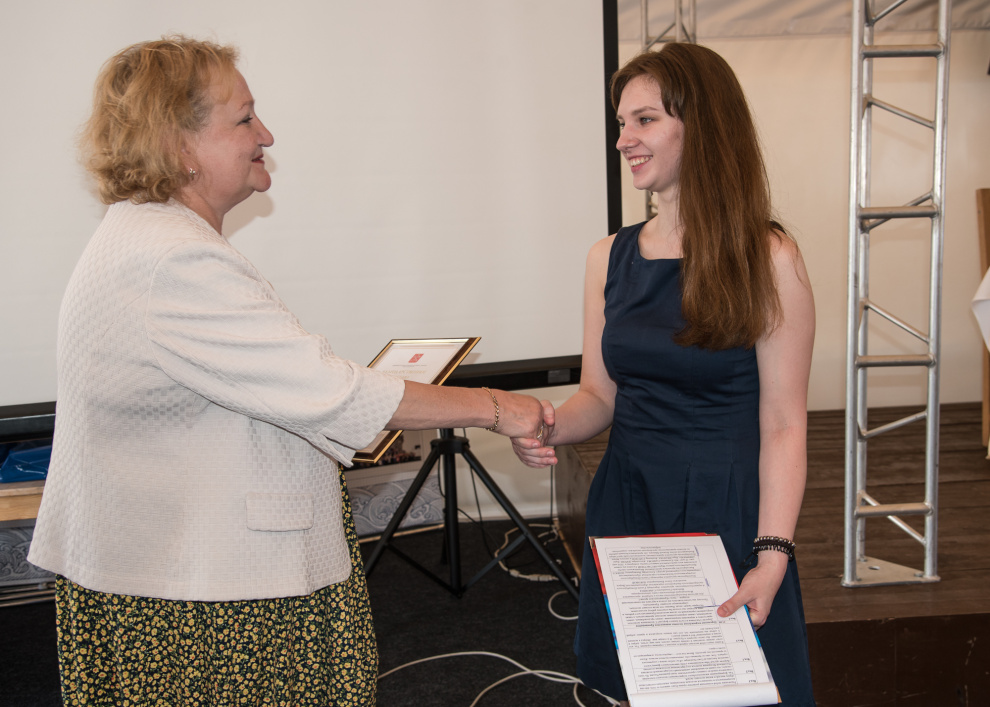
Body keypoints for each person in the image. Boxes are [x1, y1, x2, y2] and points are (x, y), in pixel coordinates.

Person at [28, 36, 543, 707]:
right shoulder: (173, 259)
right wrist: (498, 407)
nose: (265, 134)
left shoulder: (147, 238)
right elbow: (329, 392)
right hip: (204, 600)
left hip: (175, 573)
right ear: (179, 146)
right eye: (244, 119)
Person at [513, 43, 816, 706]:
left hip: (729, 510)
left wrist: (772, 553)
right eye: (621, 123)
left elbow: (784, 423)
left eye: (644, 120)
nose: (624, 139)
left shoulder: (770, 258)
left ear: (700, 125)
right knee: (642, 686)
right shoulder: (607, 256)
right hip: (630, 499)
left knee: (733, 686)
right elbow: (600, 395)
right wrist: (548, 425)